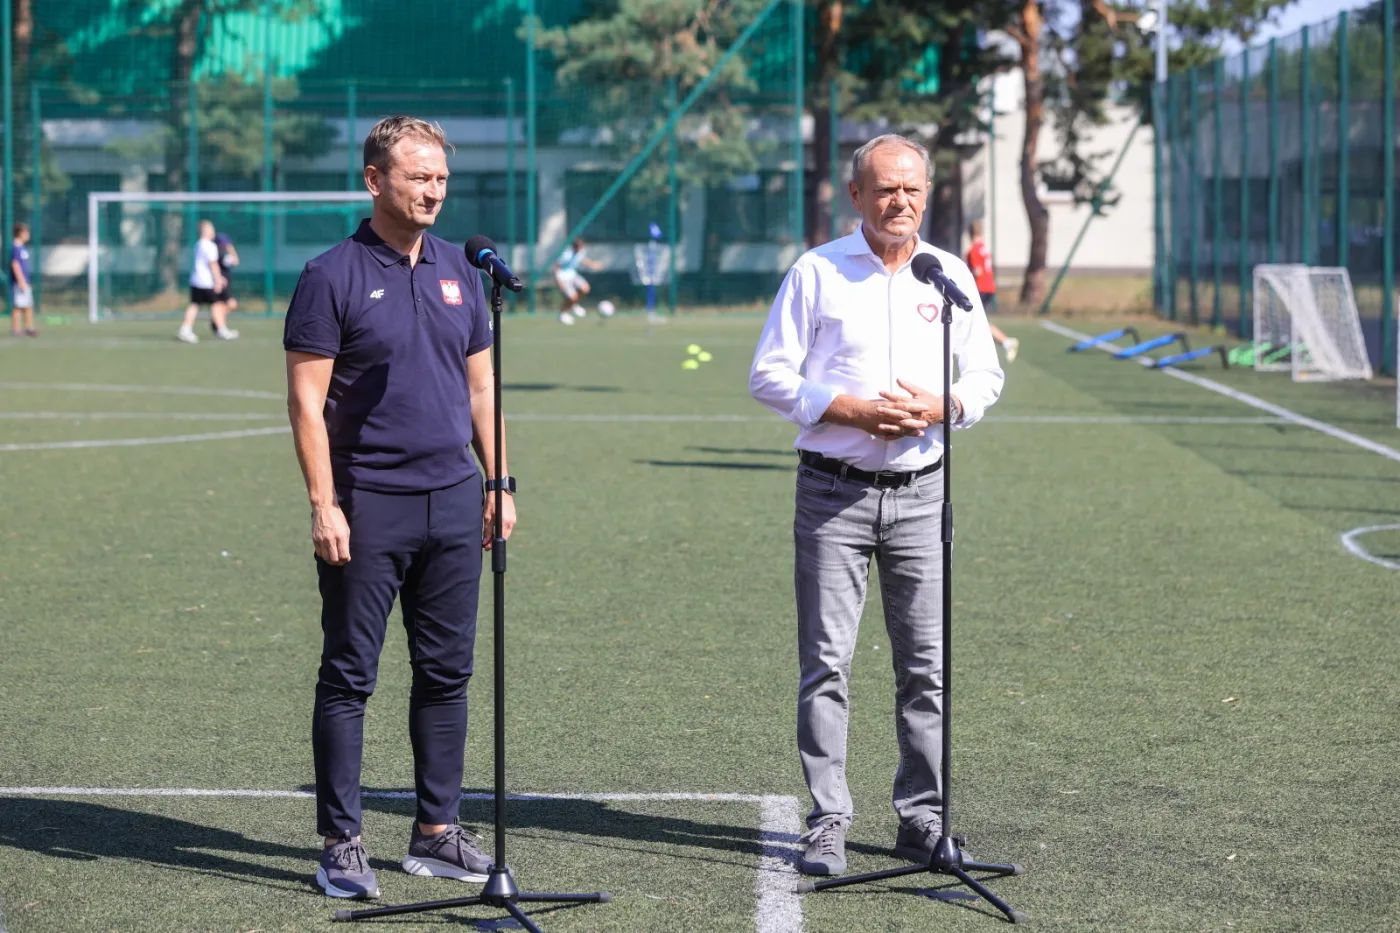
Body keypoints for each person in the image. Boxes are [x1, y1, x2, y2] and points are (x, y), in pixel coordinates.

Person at [749, 134, 1004, 877]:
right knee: (826, 665)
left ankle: (922, 818)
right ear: (856, 195)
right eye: (885, 189)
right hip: (833, 493)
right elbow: (769, 375)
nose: (900, 202)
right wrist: (852, 411)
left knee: (926, 668)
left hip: (924, 495)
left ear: (927, 195)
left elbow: (984, 376)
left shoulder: (947, 275)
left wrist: (943, 405)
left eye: (912, 189)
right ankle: (828, 819)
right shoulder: (818, 271)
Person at [283, 115, 515, 900]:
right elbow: (306, 403)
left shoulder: (462, 269)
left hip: (453, 501)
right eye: (418, 176)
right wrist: (324, 504)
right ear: (375, 180)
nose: (433, 190)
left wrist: (499, 483)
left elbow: (481, 389)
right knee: (350, 675)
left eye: (441, 177)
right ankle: (340, 842)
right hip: (367, 503)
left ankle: (436, 832)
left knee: (447, 673)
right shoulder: (330, 275)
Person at [177, 220, 238, 344]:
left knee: (195, 304)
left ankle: (185, 329)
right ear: (207, 231)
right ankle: (221, 330)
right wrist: (218, 280)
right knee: (216, 304)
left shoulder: (198, 244)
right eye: (211, 229)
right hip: (206, 282)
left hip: (196, 280)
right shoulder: (209, 246)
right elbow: (213, 265)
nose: (213, 232)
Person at [966, 221, 1017, 362]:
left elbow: (977, 271)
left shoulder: (973, 250)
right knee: (977, 321)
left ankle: (1006, 342)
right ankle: (1004, 343)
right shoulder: (984, 249)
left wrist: (965, 272)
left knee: (976, 321)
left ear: (969, 233)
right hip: (989, 287)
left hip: (980, 288)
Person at [552, 236, 602, 325]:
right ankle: (562, 314)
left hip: (573, 275)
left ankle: (574, 305)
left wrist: (592, 264)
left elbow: (581, 258)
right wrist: (558, 281)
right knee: (572, 297)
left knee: (585, 288)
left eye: (581, 247)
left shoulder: (581, 251)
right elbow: (556, 266)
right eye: (578, 247)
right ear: (574, 247)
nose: (580, 249)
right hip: (563, 277)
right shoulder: (566, 254)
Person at [209, 232, 240, 334]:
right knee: (228, 304)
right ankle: (218, 324)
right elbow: (235, 261)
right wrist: (231, 249)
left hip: (224, 284)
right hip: (221, 284)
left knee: (223, 304)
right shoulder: (221, 256)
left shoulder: (219, 255)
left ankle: (217, 323)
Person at [9, 222, 36, 338]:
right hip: (19, 283)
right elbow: (15, 264)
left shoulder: (22, 248)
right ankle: (16, 330)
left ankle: (29, 328)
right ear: (20, 233)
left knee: (28, 305)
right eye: (26, 232)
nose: (28, 234)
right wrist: (21, 281)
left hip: (25, 281)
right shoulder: (15, 248)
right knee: (18, 306)